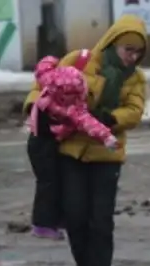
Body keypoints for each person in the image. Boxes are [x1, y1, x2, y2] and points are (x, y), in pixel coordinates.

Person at [24, 14, 147, 266]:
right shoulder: (79, 60)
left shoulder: (136, 79)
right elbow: (44, 85)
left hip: (107, 155)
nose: (132, 57)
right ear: (112, 43)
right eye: (128, 49)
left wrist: (110, 119)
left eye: (138, 52)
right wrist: (36, 108)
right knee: (76, 216)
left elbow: (135, 110)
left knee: (101, 221)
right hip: (70, 151)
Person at [26, 56, 119, 240]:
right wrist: (108, 138)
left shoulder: (49, 81)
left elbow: (42, 67)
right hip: (45, 145)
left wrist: (53, 60)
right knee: (49, 183)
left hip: (36, 140)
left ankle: (57, 219)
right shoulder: (73, 109)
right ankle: (42, 224)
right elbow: (91, 124)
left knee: (53, 181)